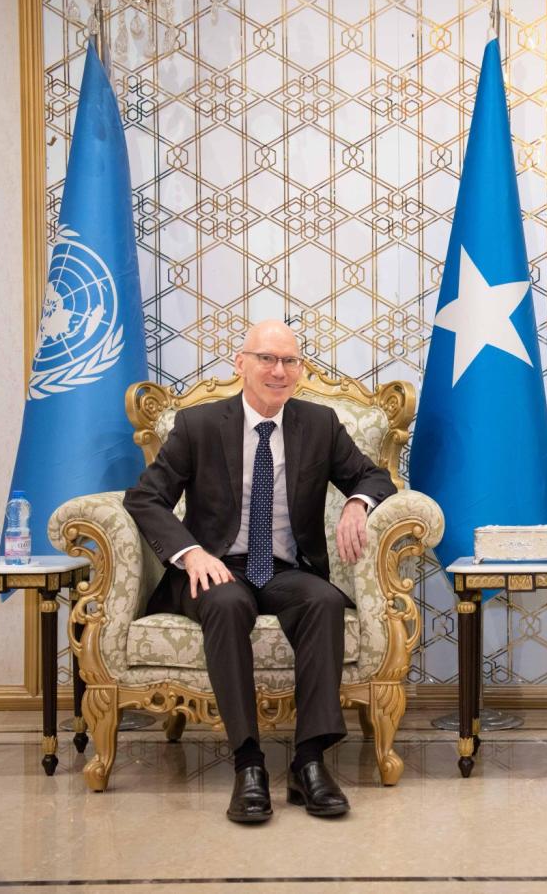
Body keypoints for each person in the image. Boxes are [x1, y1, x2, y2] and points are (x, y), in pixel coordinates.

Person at [124, 320, 396, 824]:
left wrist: (357, 503)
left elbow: (373, 476)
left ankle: (308, 762)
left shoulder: (319, 424)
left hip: (285, 568)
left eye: (289, 361)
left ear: (300, 370)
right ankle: (247, 763)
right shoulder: (199, 425)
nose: (278, 371)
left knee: (324, 601)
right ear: (241, 364)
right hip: (216, 568)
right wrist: (190, 553)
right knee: (228, 605)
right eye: (266, 359)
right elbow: (145, 498)